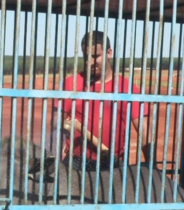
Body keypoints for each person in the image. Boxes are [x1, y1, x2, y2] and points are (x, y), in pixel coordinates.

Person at [54, 31, 151, 170]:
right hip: (76, 162)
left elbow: (144, 132)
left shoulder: (128, 89)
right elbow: (54, 122)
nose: (91, 62)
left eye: (96, 56)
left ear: (109, 53)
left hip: (112, 163)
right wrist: (64, 123)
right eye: (86, 57)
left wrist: (152, 166)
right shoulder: (71, 84)